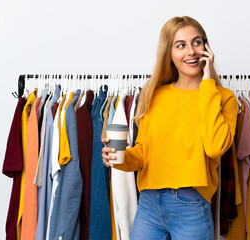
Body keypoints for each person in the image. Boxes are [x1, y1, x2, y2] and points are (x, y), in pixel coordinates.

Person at [102, 16, 238, 240]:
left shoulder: (222, 98)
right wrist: (120, 158)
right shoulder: (154, 95)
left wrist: (207, 83)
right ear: (169, 53)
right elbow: (143, 153)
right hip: (148, 205)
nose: (191, 51)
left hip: (191, 206)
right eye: (180, 45)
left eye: (197, 42)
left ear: (207, 48)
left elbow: (215, 148)